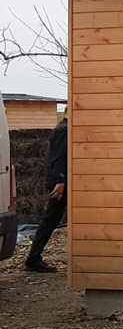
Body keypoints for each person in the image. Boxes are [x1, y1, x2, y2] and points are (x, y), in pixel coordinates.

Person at [24, 111, 67, 274]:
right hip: (60, 183)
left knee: (50, 220)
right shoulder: (64, 130)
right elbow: (59, 158)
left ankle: (33, 259)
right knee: (50, 220)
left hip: (59, 181)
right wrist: (60, 181)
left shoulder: (62, 128)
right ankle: (33, 260)